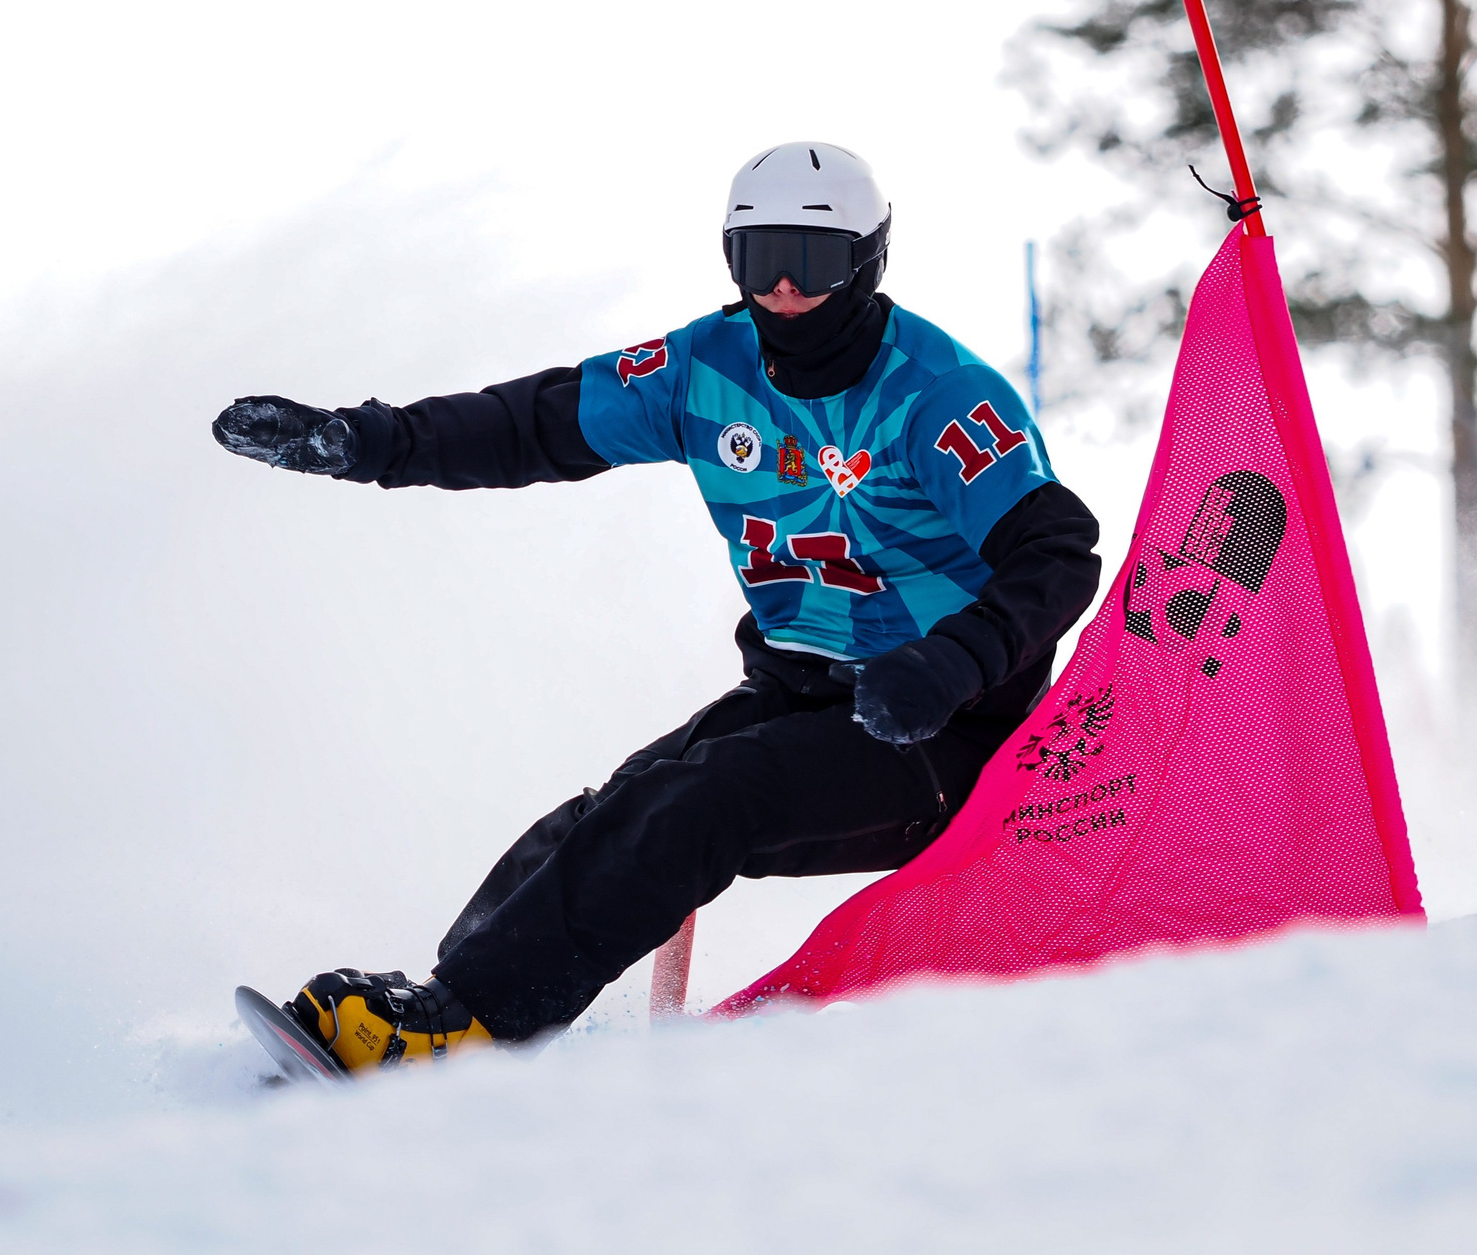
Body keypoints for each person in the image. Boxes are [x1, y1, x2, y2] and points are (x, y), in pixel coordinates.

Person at [213, 142, 1100, 1072]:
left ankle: (468, 1028)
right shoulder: (705, 370)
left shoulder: (935, 394)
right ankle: (445, 1007)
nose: (788, 286)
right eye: (761, 259)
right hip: (800, 695)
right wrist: (363, 441)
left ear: (870, 258)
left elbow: (1057, 547)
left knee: (702, 801)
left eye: (818, 259)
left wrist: (951, 663)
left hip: (947, 736)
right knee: (618, 805)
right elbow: (539, 422)